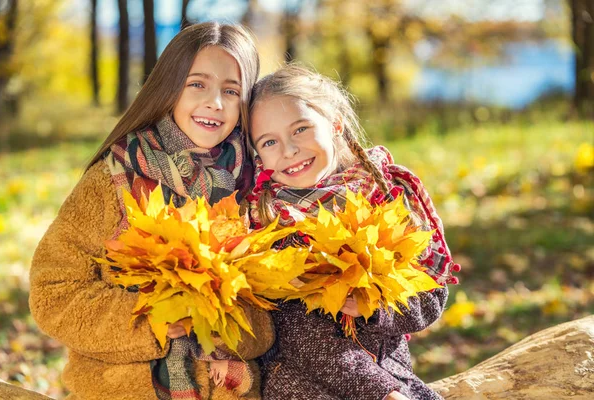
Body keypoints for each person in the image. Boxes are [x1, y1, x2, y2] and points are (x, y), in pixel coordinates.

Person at [29, 22, 274, 400]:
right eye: (198, 84)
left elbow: (271, 310)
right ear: (170, 86)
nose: (216, 102)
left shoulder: (253, 187)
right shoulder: (114, 178)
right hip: (122, 390)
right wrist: (150, 319)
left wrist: (226, 329)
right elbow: (53, 292)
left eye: (231, 90)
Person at [246, 65, 461, 400]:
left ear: (335, 124)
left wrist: (376, 308)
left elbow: (430, 294)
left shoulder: (386, 193)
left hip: (389, 365)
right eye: (269, 141)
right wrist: (382, 393)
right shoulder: (267, 222)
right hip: (299, 379)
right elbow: (297, 335)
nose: (289, 150)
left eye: (301, 129)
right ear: (257, 155)